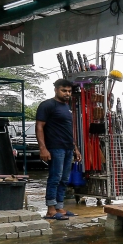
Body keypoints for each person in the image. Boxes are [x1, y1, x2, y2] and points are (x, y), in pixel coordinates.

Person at [35, 78, 81, 221]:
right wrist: (43, 148)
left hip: (67, 148)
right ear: (56, 89)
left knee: (64, 179)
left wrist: (75, 148)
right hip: (55, 148)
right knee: (55, 178)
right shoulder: (47, 105)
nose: (67, 93)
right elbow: (39, 127)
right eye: (64, 90)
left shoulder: (67, 107)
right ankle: (50, 210)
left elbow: (67, 130)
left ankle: (60, 207)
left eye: (69, 91)